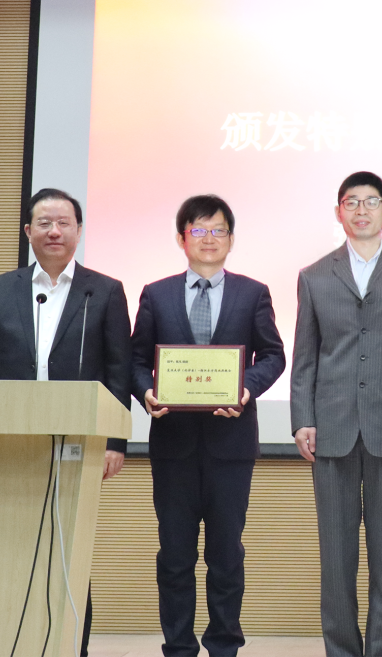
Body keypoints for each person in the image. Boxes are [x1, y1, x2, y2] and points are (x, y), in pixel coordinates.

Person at [0, 187, 132, 655]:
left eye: (63, 223)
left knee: (70, 548)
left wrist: (115, 441)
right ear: (28, 231)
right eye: (44, 223)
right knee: (10, 543)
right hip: (9, 440)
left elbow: (118, 371)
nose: (54, 231)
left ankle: (72, 645)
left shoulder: (104, 291)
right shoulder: (0, 288)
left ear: (78, 231)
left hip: (79, 439)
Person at [130, 194, 285, 657]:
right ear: (182, 239)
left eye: (218, 230)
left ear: (231, 239)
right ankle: (178, 646)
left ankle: (224, 646)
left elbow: (273, 355)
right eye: (198, 230)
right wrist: (147, 392)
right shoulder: (156, 294)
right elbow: (135, 359)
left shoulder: (252, 293)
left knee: (226, 555)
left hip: (231, 447)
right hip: (173, 446)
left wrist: (246, 389)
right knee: (175, 555)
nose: (209, 238)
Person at [290, 171, 382, 657]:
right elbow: (305, 357)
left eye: (371, 202)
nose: (361, 210)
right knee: (336, 559)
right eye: (352, 202)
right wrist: (301, 418)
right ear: (339, 212)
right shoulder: (314, 276)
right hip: (331, 429)